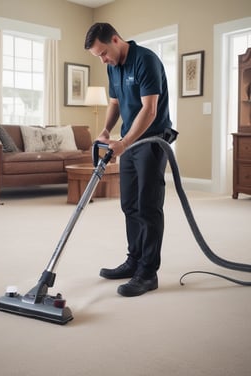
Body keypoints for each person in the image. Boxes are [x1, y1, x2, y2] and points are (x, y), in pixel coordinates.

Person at [84, 23, 175, 297]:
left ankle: (148, 273)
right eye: (98, 57)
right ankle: (133, 261)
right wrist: (106, 131)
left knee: (148, 205)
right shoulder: (112, 66)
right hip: (127, 141)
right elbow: (114, 103)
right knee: (129, 205)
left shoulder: (145, 60)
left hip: (152, 139)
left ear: (115, 39)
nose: (103, 60)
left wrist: (124, 142)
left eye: (103, 53)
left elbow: (149, 111)